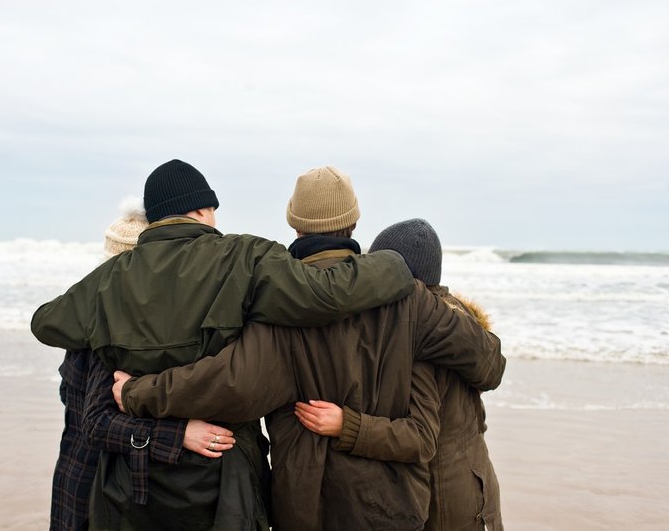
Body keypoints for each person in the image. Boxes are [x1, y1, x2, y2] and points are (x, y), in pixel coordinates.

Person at [31, 160, 416, 530]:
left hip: (132, 486)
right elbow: (327, 295)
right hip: (221, 479)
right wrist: (394, 264)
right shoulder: (244, 256)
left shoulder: (108, 279)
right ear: (202, 209)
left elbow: (46, 322)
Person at [114, 167, 506, 531]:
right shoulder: (410, 298)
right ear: (354, 221)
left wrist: (136, 392)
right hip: (393, 506)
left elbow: (229, 384)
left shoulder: (277, 303)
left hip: (307, 505)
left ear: (295, 223)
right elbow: (489, 364)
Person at [295, 218, 503, 530]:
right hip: (478, 486)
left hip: (442, 504)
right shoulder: (457, 322)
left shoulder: (417, 335)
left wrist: (346, 425)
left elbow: (420, 437)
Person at [49, 198, 235, 531]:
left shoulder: (85, 316)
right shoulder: (110, 330)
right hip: (96, 493)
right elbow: (97, 423)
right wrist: (179, 435)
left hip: (80, 481)